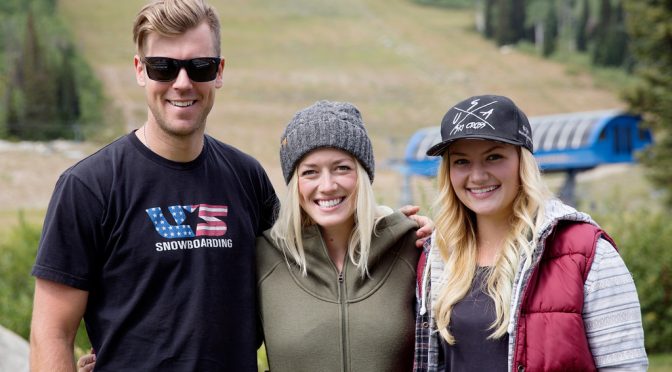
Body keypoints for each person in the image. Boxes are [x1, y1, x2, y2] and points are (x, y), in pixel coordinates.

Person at [30, 0, 278, 370]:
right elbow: (50, 333)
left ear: (219, 71)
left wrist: (392, 230)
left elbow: (312, 265)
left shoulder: (248, 178)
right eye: (163, 67)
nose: (182, 83)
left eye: (200, 67)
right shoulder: (88, 187)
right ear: (140, 70)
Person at [414, 94, 649, 372]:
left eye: (494, 157)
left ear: (522, 163)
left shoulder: (586, 251)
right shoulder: (437, 256)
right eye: (462, 162)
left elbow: (625, 365)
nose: (477, 176)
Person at [256, 100, 420, 371]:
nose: (328, 186)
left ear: (364, 174)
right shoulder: (264, 258)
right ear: (295, 183)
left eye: (342, 168)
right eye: (310, 172)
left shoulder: (412, 247)